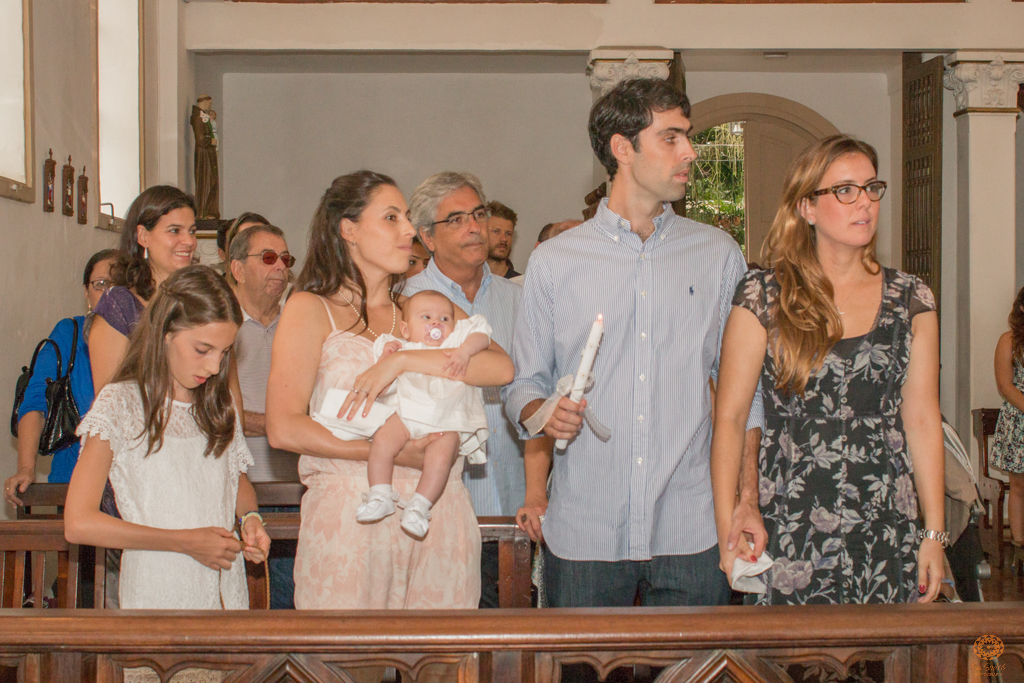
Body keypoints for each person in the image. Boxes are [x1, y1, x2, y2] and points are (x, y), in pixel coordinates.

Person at [503, 78, 764, 621]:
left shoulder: (716, 254)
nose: (690, 152)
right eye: (671, 138)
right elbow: (524, 384)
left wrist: (746, 500)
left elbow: (745, 396)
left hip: (692, 525)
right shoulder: (556, 262)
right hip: (586, 530)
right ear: (623, 148)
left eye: (687, 137)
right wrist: (544, 412)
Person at [711, 134, 946, 605]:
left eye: (870, 188)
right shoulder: (762, 296)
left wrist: (934, 534)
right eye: (844, 190)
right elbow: (731, 418)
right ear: (807, 207)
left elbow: (921, 419)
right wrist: (729, 524)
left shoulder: (911, 298)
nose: (864, 203)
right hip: (790, 516)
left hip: (886, 516)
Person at [265, 170, 514, 611]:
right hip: (353, 512)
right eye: (391, 218)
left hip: (437, 511)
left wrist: (403, 360)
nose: (407, 230)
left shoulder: (423, 308)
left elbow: (501, 367)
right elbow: (284, 429)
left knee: (444, 667)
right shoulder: (311, 308)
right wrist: (393, 452)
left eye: (406, 218)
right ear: (349, 230)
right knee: (347, 666)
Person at [64, 265, 270, 609]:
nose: (215, 367)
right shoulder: (122, 404)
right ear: (165, 333)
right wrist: (183, 542)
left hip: (224, 594)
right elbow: (78, 523)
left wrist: (251, 519)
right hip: (156, 593)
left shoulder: (218, 405)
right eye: (203, 349)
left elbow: (237, 482)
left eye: (224, 352)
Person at [404, 171, 527, 608]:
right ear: (426, 237)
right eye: (455, 219)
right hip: (435, 506)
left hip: (513, 501)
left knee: (510, 651)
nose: (474, 226)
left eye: (478, 213)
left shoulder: (518, 299)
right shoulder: (406, 303)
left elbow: (532, 387)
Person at [324, 291, 491, 539]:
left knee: (441, 458)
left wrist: (465, 351)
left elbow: (482, 332)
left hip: (445, 420)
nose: (436, 324)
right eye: (426, 317)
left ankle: (420, 506)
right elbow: (382, 375)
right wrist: (387, 354)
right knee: (382, 441)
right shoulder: (401, 346)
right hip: (405, 415)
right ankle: (380, 493)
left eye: (444, 319)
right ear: (405, 329)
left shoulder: (454, 343)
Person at [4, 249, 116, 504]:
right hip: (73, 484)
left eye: (120, 286)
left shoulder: (150, 340)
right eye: (101, 285)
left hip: (137, 487)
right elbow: (34, 403)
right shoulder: (69, 334)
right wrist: (26, 468)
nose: (110, 294)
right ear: (87, 293)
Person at [90, 186, 199, 392]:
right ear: (143, 236)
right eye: (175, 230)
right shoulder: (119, 307)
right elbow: (109, 403)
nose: (189, 242)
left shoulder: (201, 298)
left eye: (192, 231)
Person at [990, 285, 1024, 574]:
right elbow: (1005, 385)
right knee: (1019, 486)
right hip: (1019, 421)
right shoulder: (1009, 341)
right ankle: (1019, 546)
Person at [485, 200, 520, 279]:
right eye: (496, 231)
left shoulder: (520, 284)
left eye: (508, 234)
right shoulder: (468, 281)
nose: (504, 239)